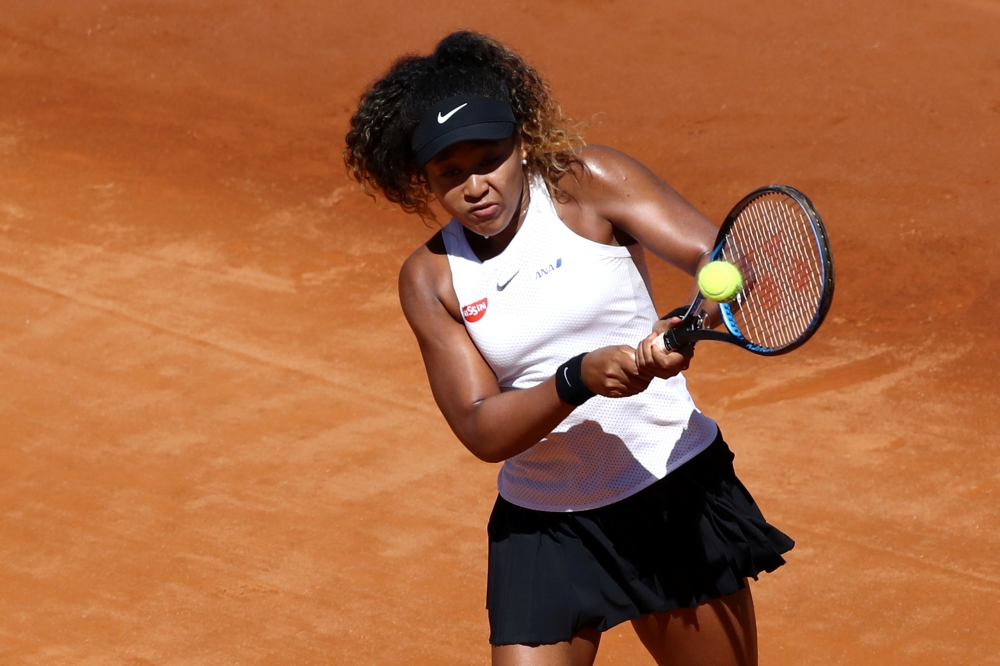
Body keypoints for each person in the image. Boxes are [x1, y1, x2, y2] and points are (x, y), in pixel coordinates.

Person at [344, 30, 793, 666]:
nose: (475, 185)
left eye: (490, 158)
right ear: (425, 179)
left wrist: (689, 320)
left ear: (522, 142)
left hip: (668, 491)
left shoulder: (587, 184)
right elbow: (480, 428)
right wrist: (575, 378)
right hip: (546, 524)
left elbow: (721, 261)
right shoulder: (431, 277)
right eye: (450, 172)